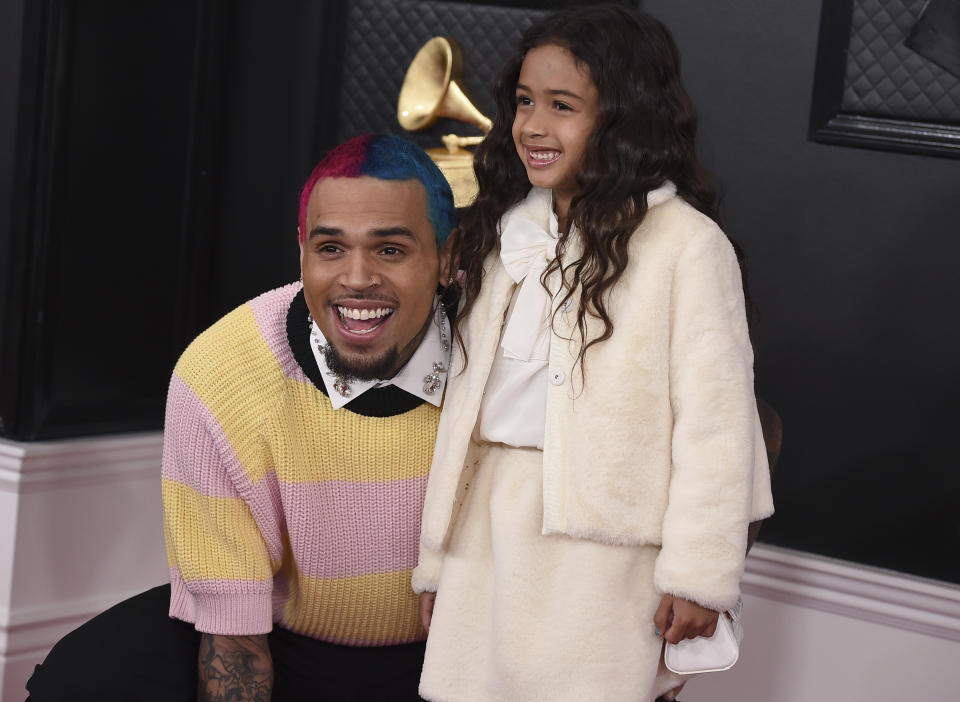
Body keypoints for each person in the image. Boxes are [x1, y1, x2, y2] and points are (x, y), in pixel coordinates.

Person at [412, 6, 774, 701]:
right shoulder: (508, 233)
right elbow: (463, 418)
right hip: (487, 528)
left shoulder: (686, 247)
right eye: (524, 102)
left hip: (603, 550)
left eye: (563, 106)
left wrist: (698, 573)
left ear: (623, 119)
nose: (533, 126)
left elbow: (717, 423)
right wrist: (436, 564)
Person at [25, 134, 457, 701]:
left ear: (447, 259)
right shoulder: (221, 374)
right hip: (288, 646)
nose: (356, 278)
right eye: (330, 248)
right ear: (301, 250)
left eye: (390, 250)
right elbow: (235, 643)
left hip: (456, 654)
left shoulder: (507, 346)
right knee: (85, 674)